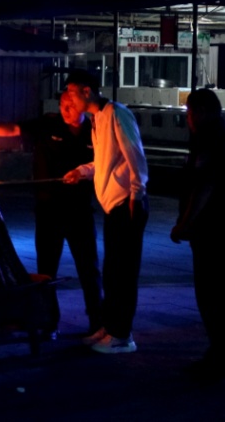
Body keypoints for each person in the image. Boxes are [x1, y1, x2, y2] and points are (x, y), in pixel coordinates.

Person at [0, 91, 103, 337]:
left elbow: (103, 162)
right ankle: (49, 323)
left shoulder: (94, 131)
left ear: (82, 106)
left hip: (80, 211)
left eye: (71, 105)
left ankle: (97, 322)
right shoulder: (49, 124)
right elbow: (15, 129)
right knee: (47, 270)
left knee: (89, 269)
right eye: (62, 105)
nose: (65, 109)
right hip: (49, 211)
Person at [63, 70, 149, 354]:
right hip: (114, 207)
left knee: (123, 273)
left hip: (127, 204)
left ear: (87, 91)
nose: (70, 100)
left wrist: (137, 194)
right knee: (113, 273)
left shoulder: (116, 113)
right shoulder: (97, 119)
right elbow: (104, 161)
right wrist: (82, 171)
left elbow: (134, 154)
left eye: (72, 93)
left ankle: (122, 336)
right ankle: (111, 327)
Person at [171, 89, 225, 380]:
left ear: (202, 112)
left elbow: (204, 186)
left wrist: (185, 223)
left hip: (217, 232)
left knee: (213, 295)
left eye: (189, 113)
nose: (188, 119)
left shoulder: (211, 137)